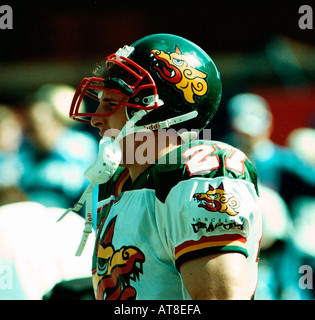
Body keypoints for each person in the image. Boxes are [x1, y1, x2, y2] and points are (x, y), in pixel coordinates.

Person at [61, 33, 262, 300]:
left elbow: (219, 298)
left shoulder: (198, 174)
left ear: (155, 113)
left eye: (111, 103)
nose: (97, 119)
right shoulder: (117, 183)